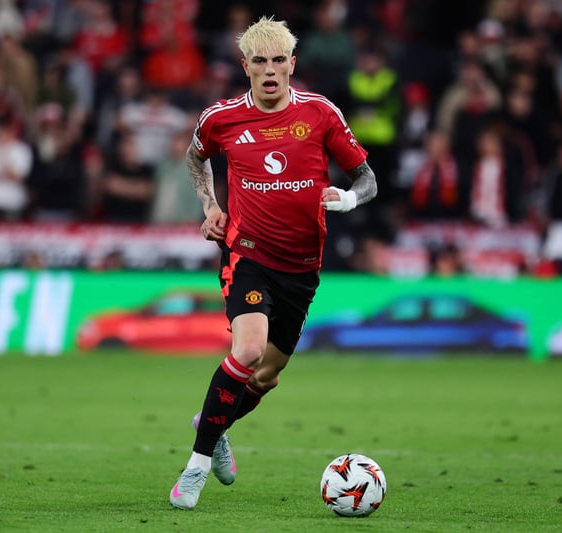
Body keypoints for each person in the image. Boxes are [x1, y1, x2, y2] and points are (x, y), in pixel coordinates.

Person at [168, 16, 377, 510]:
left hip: (302, 267)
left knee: (266, 376)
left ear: (292, 64)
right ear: (245, 67)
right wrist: (210, 206)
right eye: (258, 61)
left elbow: (367, 179)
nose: (269, 70)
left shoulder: (320, 114)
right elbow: (196, 159)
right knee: (248, 351)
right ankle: (195, 467)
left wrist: (347, 199)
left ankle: (214, 426)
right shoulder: (220, 118)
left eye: (277, 60)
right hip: (248, 254)